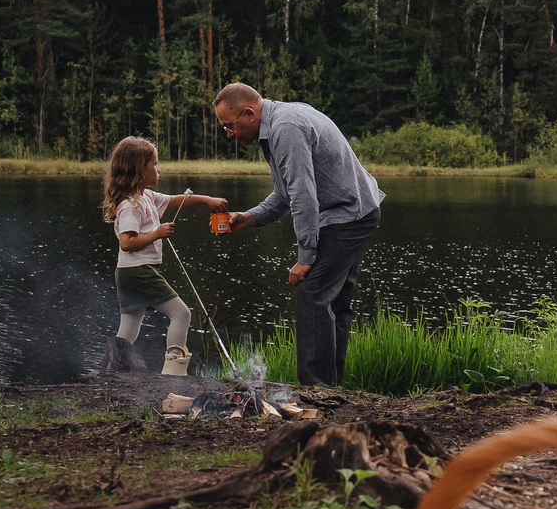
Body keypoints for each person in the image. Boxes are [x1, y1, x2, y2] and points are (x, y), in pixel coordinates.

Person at [214, 83, 383, 388]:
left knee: (313, 294)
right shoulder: (279, 122)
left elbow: (303, 196)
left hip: (347, 216)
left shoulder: (285, 128)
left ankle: (316, 390)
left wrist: (306, 257)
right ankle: (329, 387)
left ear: (249, 113)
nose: (228, 133)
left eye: (229, 125)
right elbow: (285, 193)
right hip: (357, 210)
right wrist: (250, 217)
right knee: (335, 303)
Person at [101, 135, 225, 376]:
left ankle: (113, 371)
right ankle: (173, 373)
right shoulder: (130, 205)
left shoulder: (147, 197)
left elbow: (177, 200)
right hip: (138, 272)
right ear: (139, 170)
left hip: (129, 273)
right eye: (154, 164)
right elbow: (126, 243)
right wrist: (157, 233)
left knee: (130, 324)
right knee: (181, 314)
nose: (159, 170)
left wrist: (206, 200)